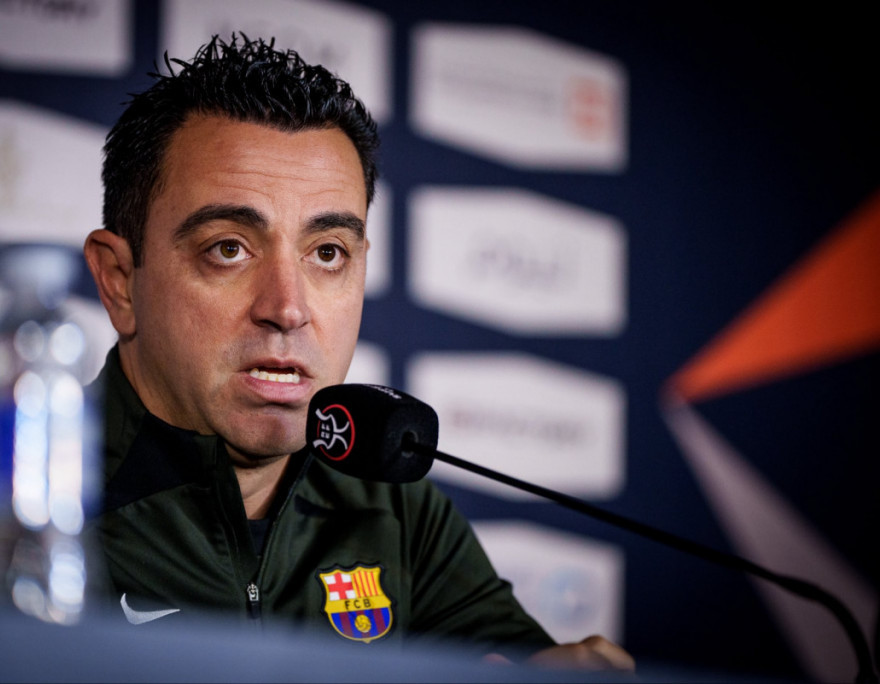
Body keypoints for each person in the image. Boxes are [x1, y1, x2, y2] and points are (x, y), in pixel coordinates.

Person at [83, 34, 633, 670]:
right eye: (228, 248)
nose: (287, 308)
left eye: (327, 254)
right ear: (119, 282)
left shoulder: (396, 511)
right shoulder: (26, 497)